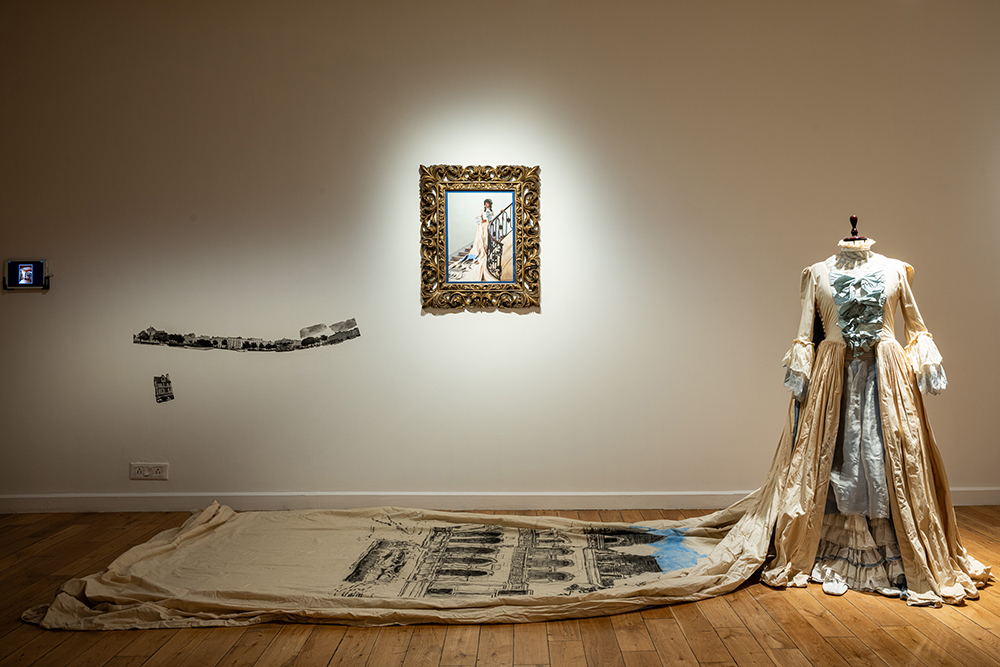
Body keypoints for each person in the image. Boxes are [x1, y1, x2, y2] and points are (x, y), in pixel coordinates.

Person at [761, 236, 989, 603]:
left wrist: (926, 367)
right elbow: (805, 333)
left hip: (887, 378)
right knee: (835, 458)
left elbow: (915, 324)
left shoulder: (896, 270)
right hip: (833, 378)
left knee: (889, 459)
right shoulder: (817, 273)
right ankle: (831, 550)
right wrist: (802, 379)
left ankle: (897, 551)